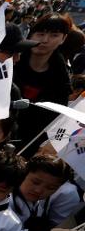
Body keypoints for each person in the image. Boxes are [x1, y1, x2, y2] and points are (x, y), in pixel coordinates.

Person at [13, 14, 71, 156]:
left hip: (27, 146)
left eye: (54, 35)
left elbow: (53, 120)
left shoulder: (61, 79)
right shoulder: (11, 60)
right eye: (40, 34)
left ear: (63, 39)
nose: (45, 40)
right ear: (31, 34)